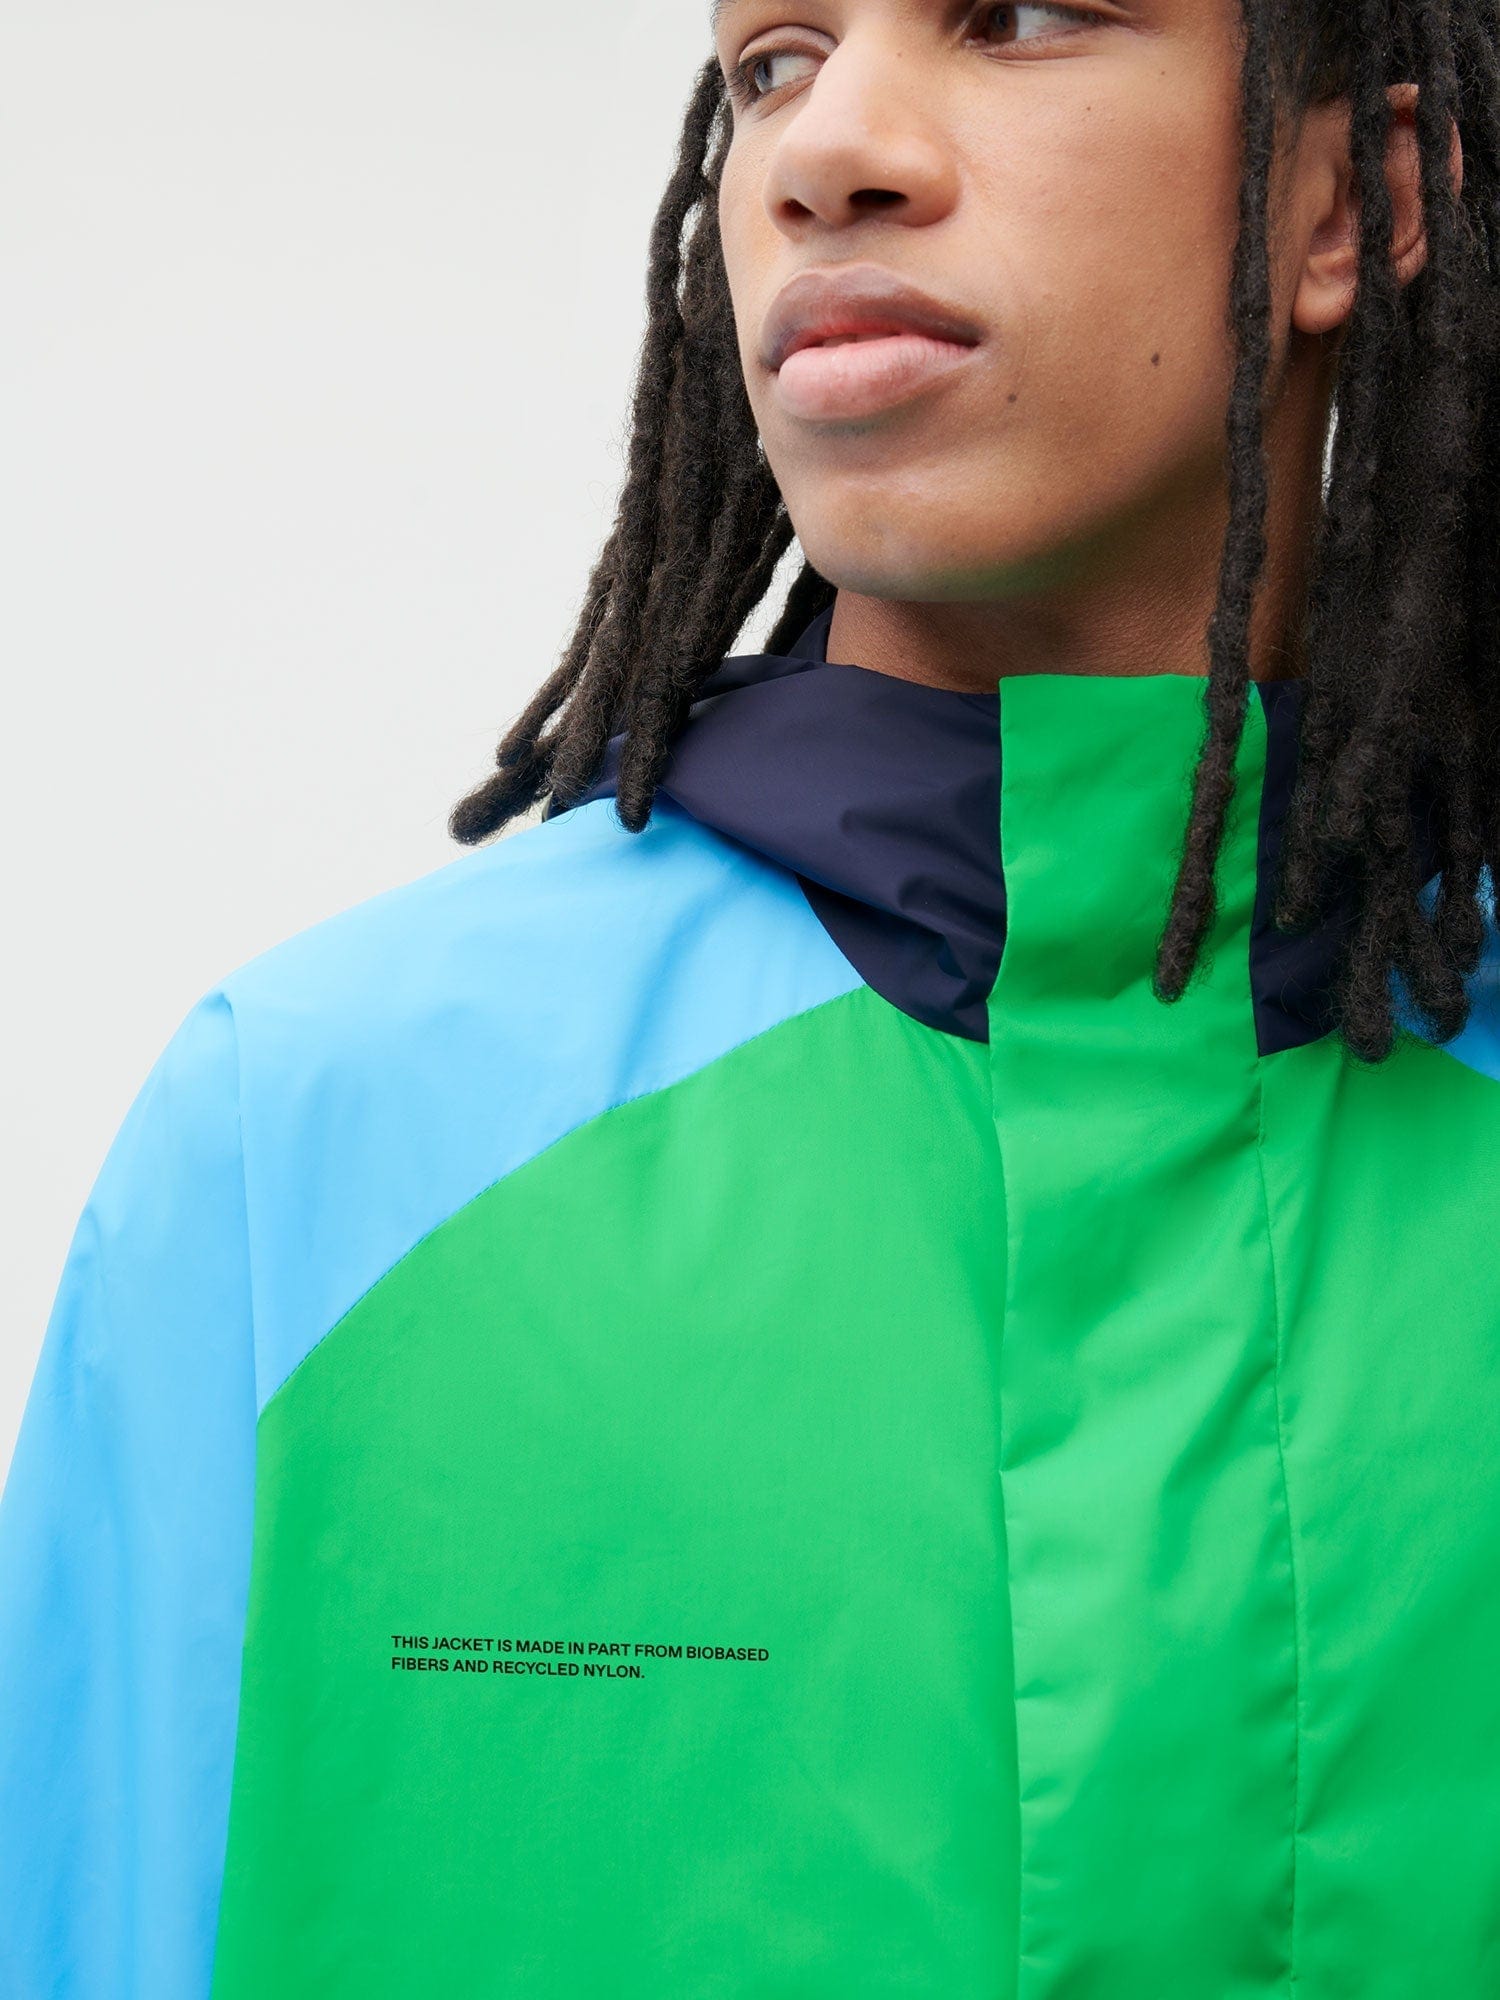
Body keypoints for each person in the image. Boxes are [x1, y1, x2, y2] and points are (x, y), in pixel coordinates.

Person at [3, 1, 1499, 1993]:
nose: (825, 148)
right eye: (772, 60)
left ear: (1352, 202)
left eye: (1017, 16)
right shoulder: (313, 1144)